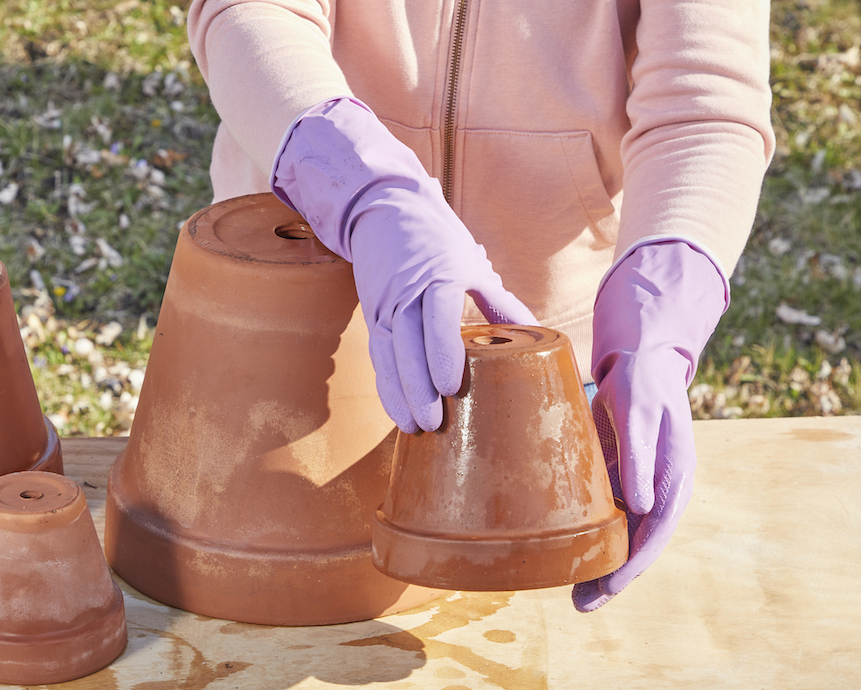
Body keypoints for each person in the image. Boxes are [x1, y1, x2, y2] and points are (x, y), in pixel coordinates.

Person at [185, 0, 774, 610]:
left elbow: (704, 108)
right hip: (296, 313)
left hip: (544, 366)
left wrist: (659, 307)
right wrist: (362, 187)